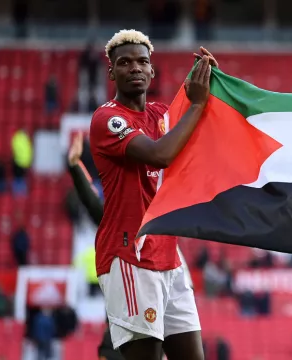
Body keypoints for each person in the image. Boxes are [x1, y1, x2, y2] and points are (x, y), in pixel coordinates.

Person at [88, 29, 217, 360]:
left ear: (152, 71)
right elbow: (161, 154)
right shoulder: (107, 119)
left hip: (170, 257)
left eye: (142, 61)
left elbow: (199, 121)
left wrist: (213, 83)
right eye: (125, 62)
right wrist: (198, 103)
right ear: (111, 71)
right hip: (130, 256)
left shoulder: (162, 115)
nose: (134, 68)